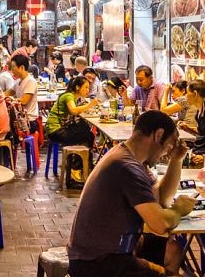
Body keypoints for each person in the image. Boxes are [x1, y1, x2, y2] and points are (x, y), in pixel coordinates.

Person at [67, 110, 195, 277]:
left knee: (172, 250)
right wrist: (178, 209)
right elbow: (160, 224)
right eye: (169, 146)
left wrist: (176, 160)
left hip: (111, 250)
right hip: (97, 262)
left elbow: (162, 198)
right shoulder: (126, 166)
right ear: (158, 135)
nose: (167, 153)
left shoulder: (133, 160)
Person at [44, 76, 99, 146]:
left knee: (85, 128)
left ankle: (80, 154)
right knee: (88, 135)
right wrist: (90, 105)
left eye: (88, 88)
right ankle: (79, 155)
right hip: (55, 131)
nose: (88, 90)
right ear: (77, 87)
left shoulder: (73, 97)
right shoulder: (69, 96)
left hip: (58, 128)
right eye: (86, 87)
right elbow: (74, 111)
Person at [6, 54, 39, 133]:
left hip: (29, 121)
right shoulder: (18, 81)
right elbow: (8, 92)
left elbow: (24, 101)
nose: (12, 69)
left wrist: (11, 99)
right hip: (20, 119)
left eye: (13, 67)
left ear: (22, 68)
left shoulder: (30, 81)